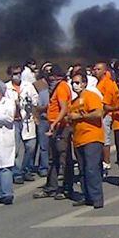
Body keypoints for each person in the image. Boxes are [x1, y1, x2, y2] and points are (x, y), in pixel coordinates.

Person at [33, 65, 75, 201]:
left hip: (61, 127)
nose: (50, 78)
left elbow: (63, 108)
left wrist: (55, 123)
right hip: (55, 125)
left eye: (52, 76)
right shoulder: (56, 88)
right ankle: (51, 186)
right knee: (53, 158)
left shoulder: (62, 87)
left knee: (64, 158)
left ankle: (67, 188)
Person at [67, 72, 105, 208]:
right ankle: (87, 196)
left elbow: (98, 113)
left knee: (91, 168)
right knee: (82, 169)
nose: (75, 85)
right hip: (78, 139)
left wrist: (81, 117)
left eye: (77, 82)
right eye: (73, 83)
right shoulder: (73, 102)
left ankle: (97, 198)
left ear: (84, 83)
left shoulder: (91, 96)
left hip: (92, 137)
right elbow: (71, 118)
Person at [6, 66, 39, 184]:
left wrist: (30, 102)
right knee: (14, 149)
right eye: (15, 73)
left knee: (30, 146)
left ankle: (25, 169)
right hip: (13, 122)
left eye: (19, 73)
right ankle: (16, 173)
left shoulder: (28, 86)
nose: (18, 75)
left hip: (27, 120)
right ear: (10, 75)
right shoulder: (6, 88)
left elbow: (36, 99)